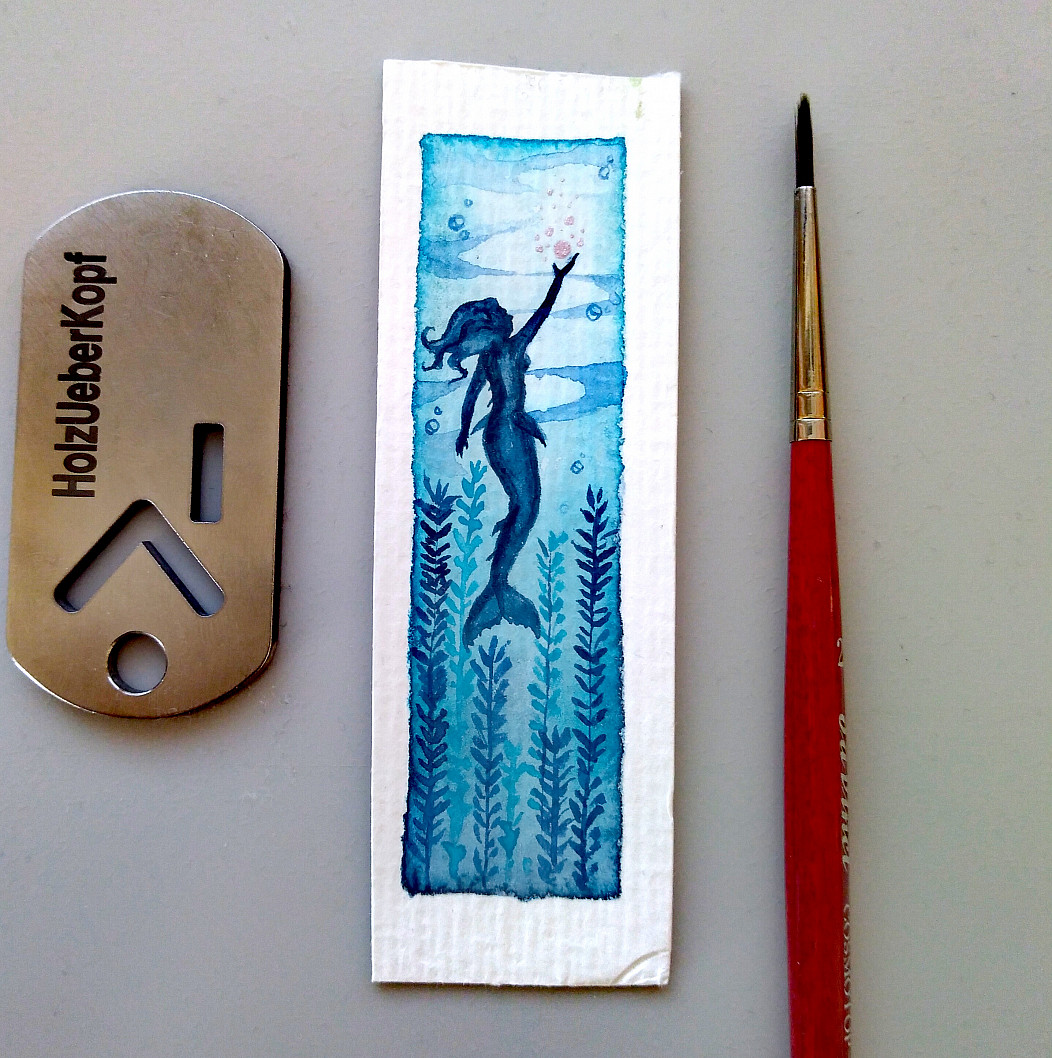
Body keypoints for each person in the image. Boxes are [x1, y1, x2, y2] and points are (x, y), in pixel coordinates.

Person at [421, 253, 579, 644]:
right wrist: (558, 280)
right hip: (510, 430)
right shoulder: (510, 348)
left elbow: (472, 397)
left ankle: (498, 585)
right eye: (500, 312)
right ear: (494, 325)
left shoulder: (490, 358)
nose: (507, 313)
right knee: (527, 506)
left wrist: (463, 432)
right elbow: (542, 314)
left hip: (497, 433)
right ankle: (499, 589)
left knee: (521, 505)